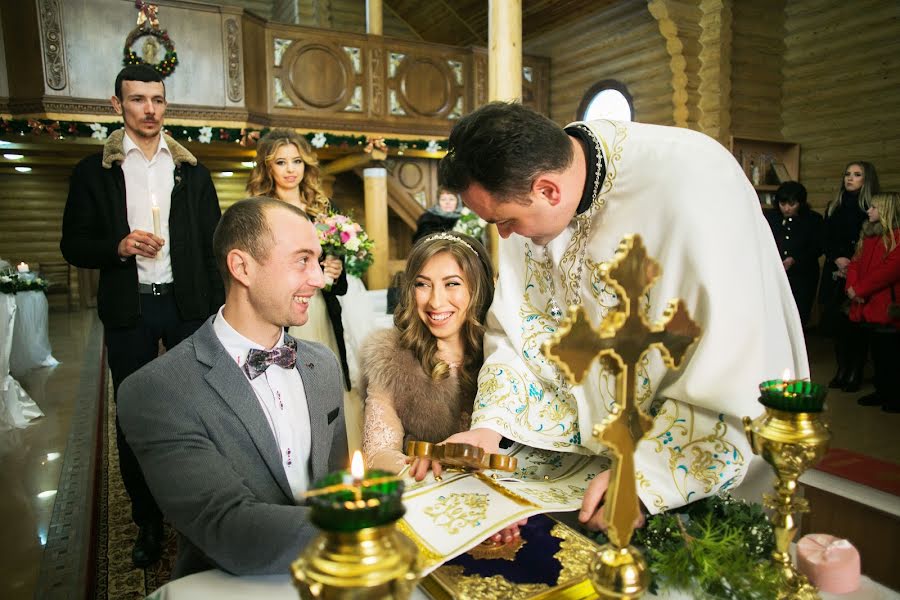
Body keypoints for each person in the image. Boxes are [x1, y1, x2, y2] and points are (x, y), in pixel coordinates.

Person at [436, 102, 807, 531]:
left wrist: (649, 478)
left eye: (504, 221)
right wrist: (492, 425)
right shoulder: (532, 188)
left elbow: (733, 363)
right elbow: (523, 329)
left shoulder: (696, 186)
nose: (503, 235)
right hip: (590, 465)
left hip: (693, 462)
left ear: (548, 190)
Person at [117, 198, 348, 578]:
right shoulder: (157, 390)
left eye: (318, 261)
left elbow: (337, 483)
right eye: (302, 260)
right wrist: (368, 534)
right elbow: (228, 528)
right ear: (242, 267)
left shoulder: (321, 364)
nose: (319, 278)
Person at [60, 65, 224, 567]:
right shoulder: (95, 172)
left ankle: (202, 511)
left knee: (202, 412)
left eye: (157, 99)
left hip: (187, 306)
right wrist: (119, 245)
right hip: (130, 309)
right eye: (137, 100)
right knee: (135, 415)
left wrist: (222, 309)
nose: (149, 109)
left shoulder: (192, 171)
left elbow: (214, 242)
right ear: (117, 106)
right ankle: (147, 522)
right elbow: (73, 244)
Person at [360, 232, 493, 473]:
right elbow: (377, 455)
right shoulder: (390, 359)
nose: (435, 301)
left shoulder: (503, 353)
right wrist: (431, 464)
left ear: (477, 288)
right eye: (422, 284)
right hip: (427, 498)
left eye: (452, 283)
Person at [247, 129, 351, 390]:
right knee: (287, 381)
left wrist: (336, 268)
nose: (290, 169)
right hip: (279, 305)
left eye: (297, 161)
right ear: (267, 167)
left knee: (324, 380)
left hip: (320, 306)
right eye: (281, 162)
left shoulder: (324, 207)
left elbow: (337, 268)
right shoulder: (259, 210)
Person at [820, 161, 880, 392]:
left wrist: (853, 262)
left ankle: (855, 371)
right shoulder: (834, 205)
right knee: (837, 323)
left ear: (867, 180)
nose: (850, 178)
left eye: (857, 175)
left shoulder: (871, 207)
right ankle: (842, 369)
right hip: (835, 268)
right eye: (847, 174)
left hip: (860, 269)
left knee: (856, 323)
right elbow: (824, 237)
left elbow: (872, 242)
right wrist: (837, 258)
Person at [846, 192, 900, 413]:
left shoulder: (896, 237)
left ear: (887, 211)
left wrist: (859, 289)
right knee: (877, 352)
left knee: (892, 354)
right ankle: (881, 390)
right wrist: (851, 288)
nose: (869, 211)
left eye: (874, 208)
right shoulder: (867, 235)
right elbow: (855, 262)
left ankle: (894, 395)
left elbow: (888, 271)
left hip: (886, 302)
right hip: (865, 302)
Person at [765, 181, 824, 327]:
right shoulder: (770, 218)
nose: (786, 208)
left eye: (791, 204)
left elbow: (817, 247)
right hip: (775, 274)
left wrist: (795, 259)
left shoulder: (813, 219)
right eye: (782, 204)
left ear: (801, 203)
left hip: (803, 276)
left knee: (798, 316)